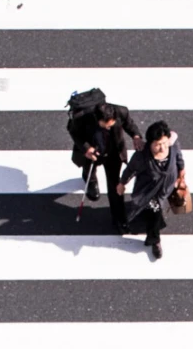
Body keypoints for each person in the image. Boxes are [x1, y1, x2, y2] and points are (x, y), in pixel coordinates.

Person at [69, 102, 143, 233]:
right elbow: (74, 132)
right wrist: (86, 148)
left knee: (114, 184)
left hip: (113, 152)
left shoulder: (121, 111)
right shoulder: (82, 117)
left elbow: (129, 124)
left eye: (112, 124)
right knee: (89, 168)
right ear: (97, 119)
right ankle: (90, 179)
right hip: (93, 150)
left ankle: (119, 219)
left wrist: (136, 136)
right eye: (106, 125)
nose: (109, 127)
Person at [117, 121, 184, 260]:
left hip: (166, 188)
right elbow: (130, 170)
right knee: (155, 212)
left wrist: (181, 175)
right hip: (149, 191)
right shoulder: (142, 157)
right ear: (150, 143)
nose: (162, 147)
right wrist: (122, 183)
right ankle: (155, 240)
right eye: (157, 144)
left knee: (152, 211)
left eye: (164, 143)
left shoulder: (173, 147)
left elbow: (179, 159)